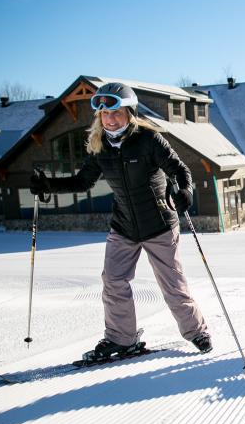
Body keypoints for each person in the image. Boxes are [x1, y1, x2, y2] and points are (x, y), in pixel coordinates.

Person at [29, 82, 214, 359]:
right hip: (124, 226)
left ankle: (196, 331)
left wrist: (185, 190)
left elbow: (179, 169)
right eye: (104, 115)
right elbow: (83, 182)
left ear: (129, 113)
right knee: (113, 280)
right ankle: (121, 338)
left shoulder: (149, 140)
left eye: (115, 113)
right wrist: (48, 186)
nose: (110, 119)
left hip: (159, 224)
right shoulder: (99, 146)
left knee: (172, 285)